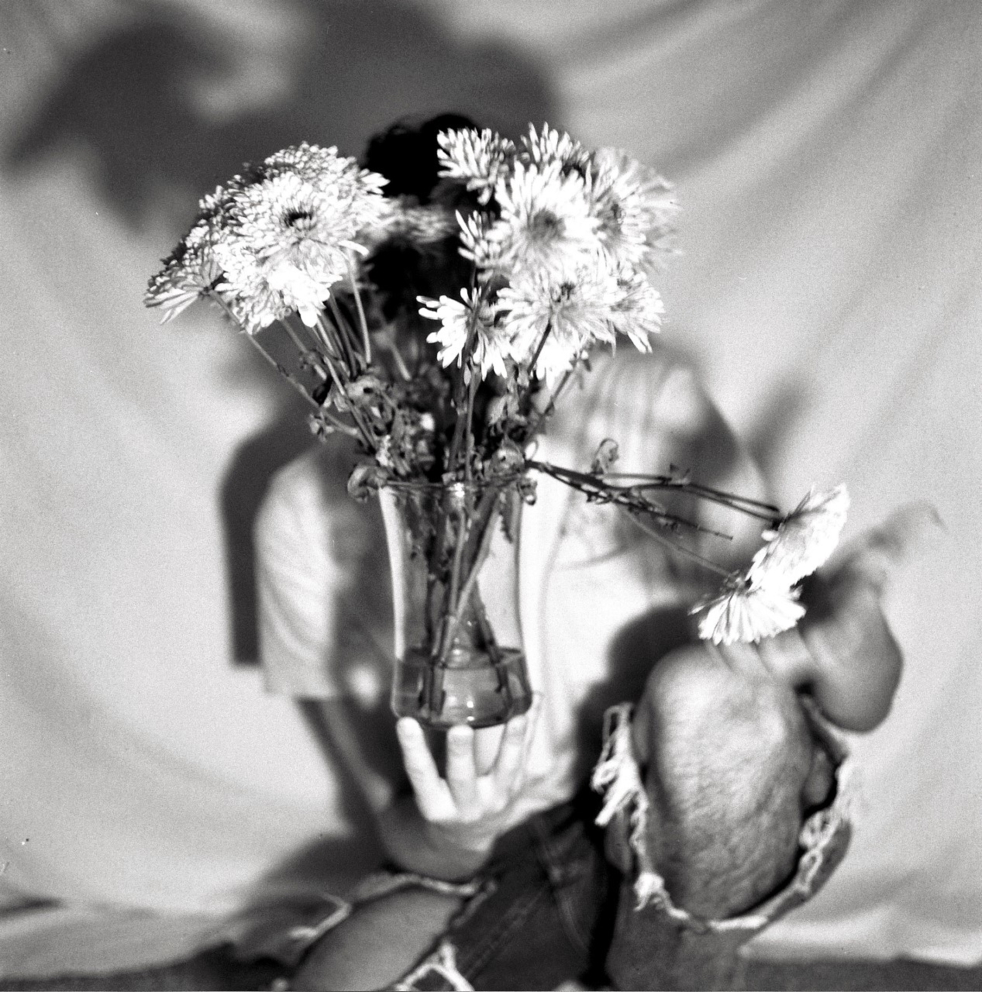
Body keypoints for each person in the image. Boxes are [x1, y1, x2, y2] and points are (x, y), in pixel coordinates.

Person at [250, 119, 930, 990]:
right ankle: (622, 962)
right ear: (352, 300)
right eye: (403, 290)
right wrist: (457, 832)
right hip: (506, 860)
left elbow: (851, 708)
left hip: (688, 810)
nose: (449, 326)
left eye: (476, 280)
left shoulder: (654, 412)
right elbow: (408, 831)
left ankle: (649, 957)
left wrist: (850, 639)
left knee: (705, 697)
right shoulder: (305, 515)